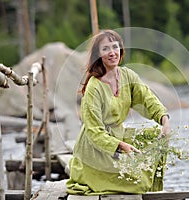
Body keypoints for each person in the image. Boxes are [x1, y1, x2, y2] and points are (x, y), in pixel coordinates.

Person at [66, 29, 170, 195]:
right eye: (105, 49)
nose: (112, 52)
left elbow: (147, 98)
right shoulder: (94, 87)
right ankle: (88, 174)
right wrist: (120, 146)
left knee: (154, 136)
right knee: (138, 183)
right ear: (98, 55)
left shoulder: (128, 75)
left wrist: (164, 119)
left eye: (115, 47)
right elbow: (94, 132)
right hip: (96, 147)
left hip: (118, 135)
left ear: (121, 50)